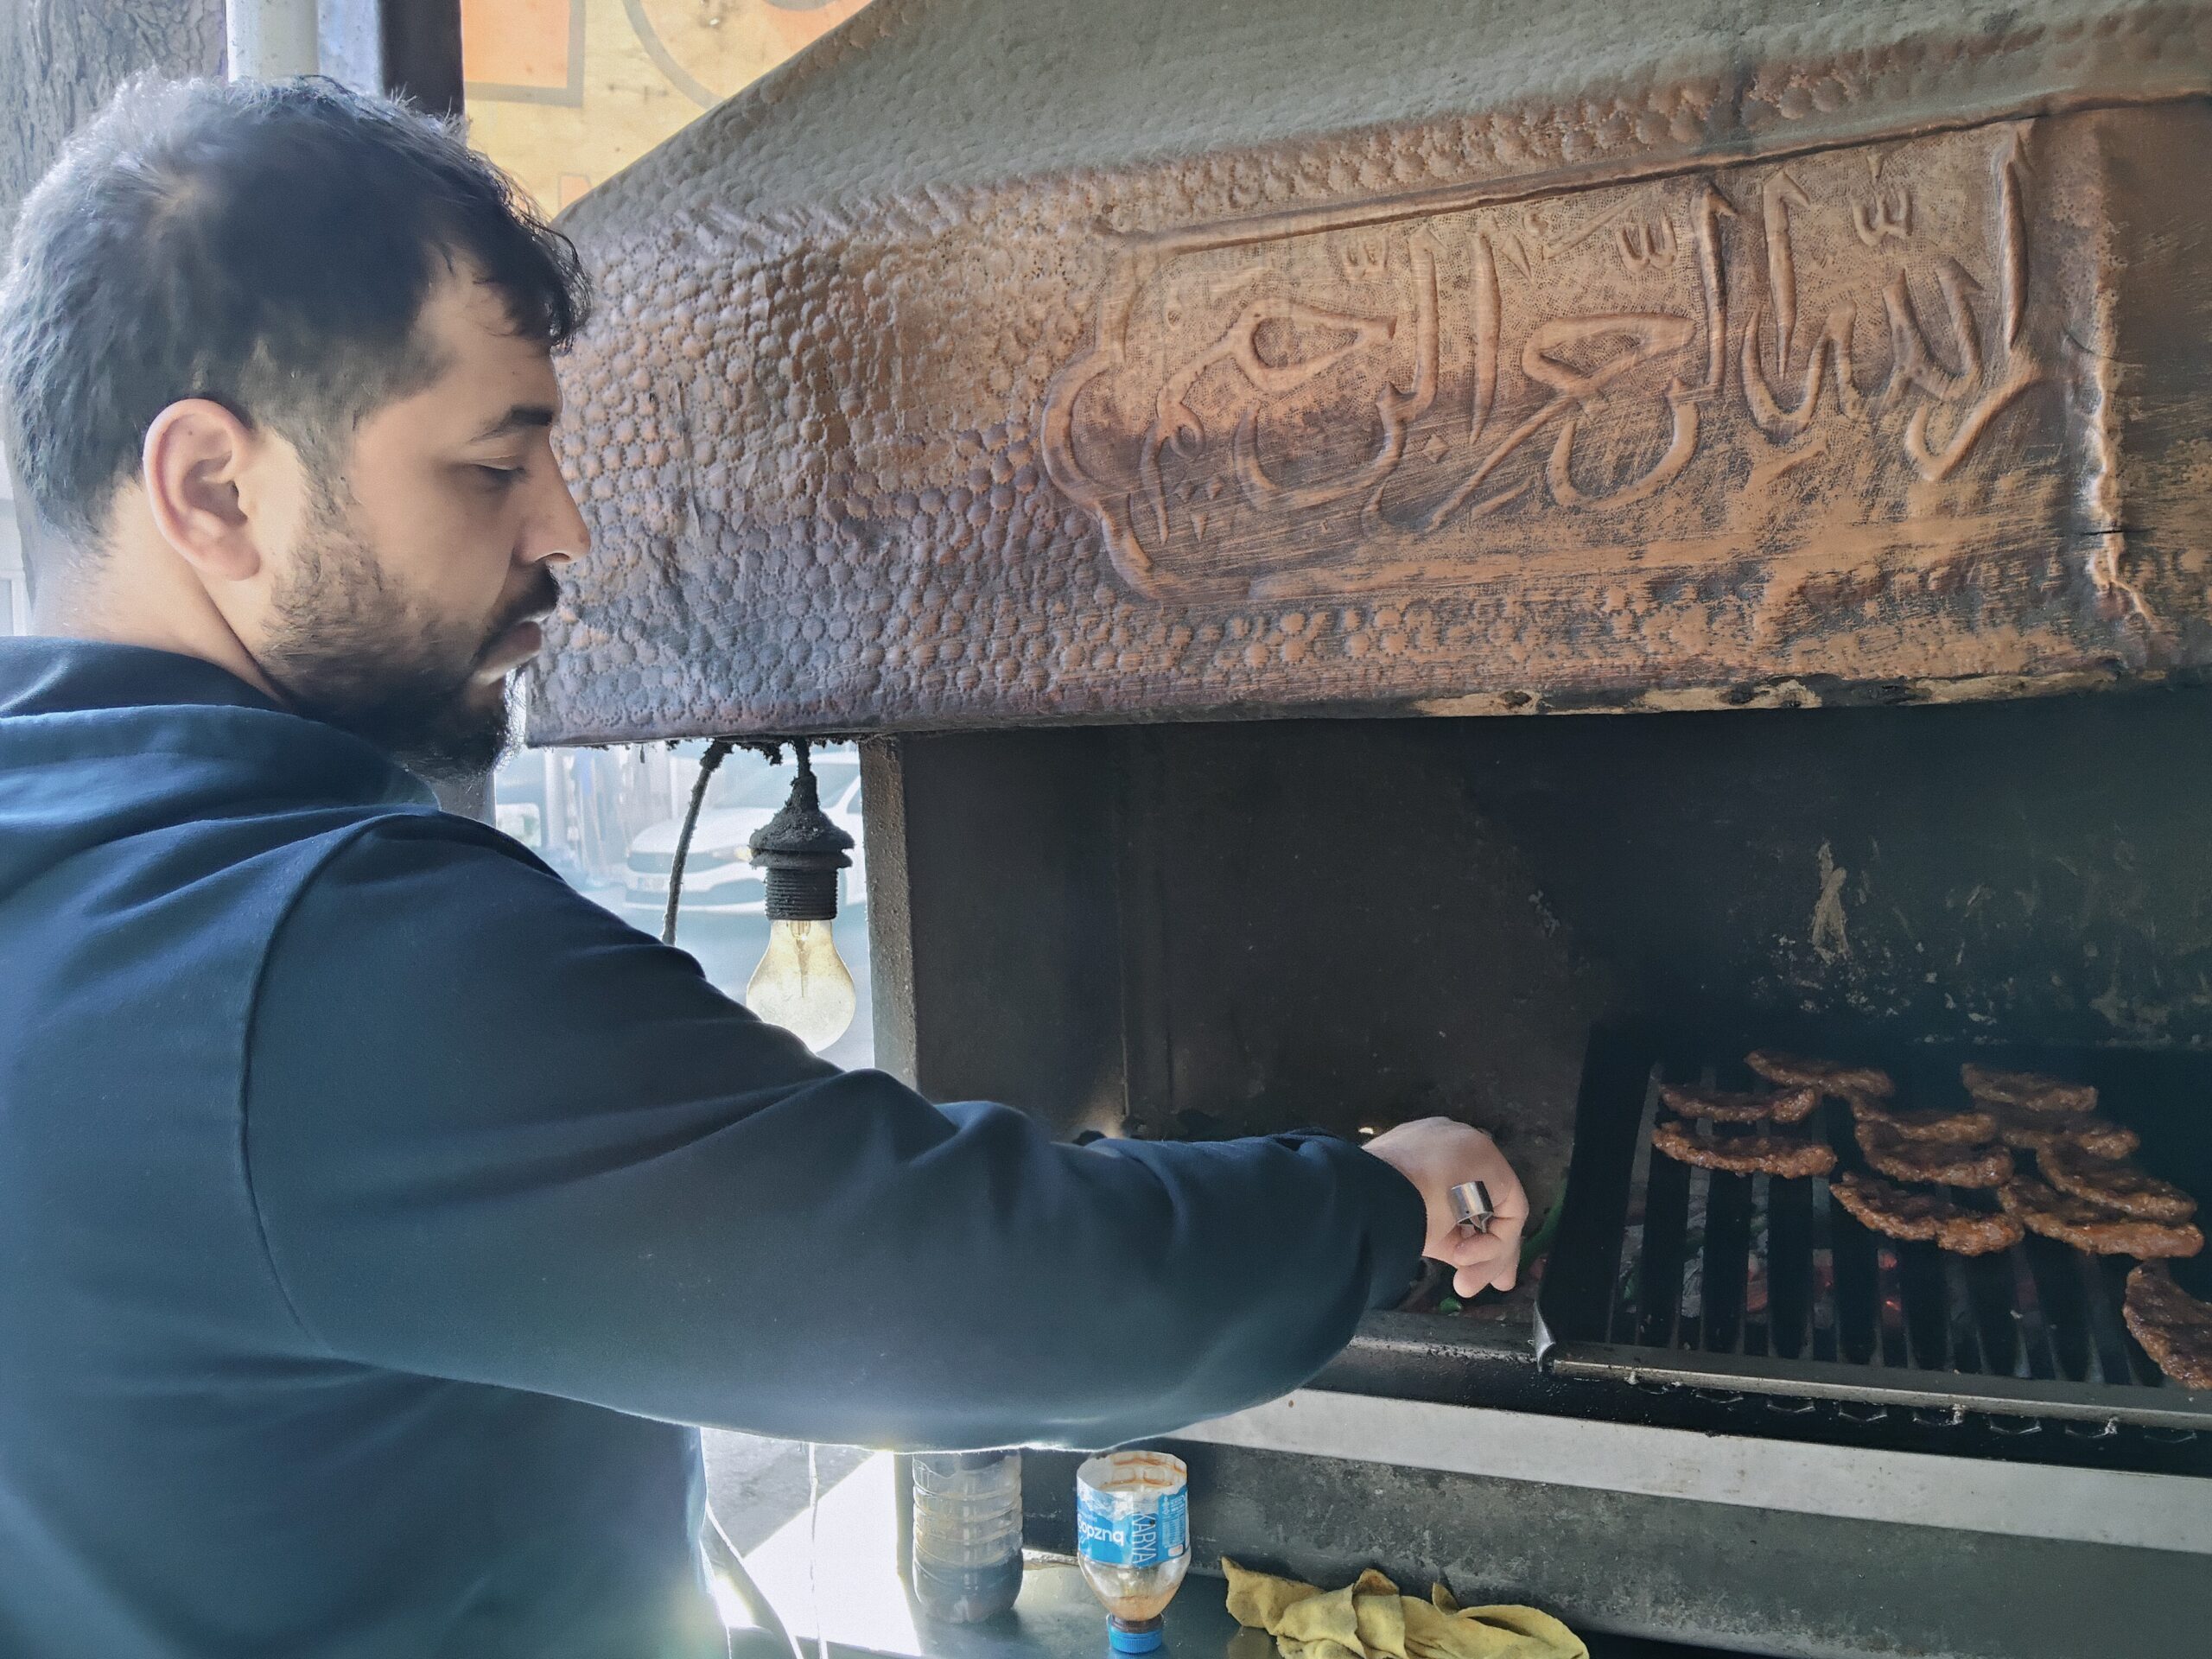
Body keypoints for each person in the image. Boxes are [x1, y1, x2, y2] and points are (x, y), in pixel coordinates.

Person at [0, 76, 1527, 1659]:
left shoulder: (66, 874)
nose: (567, 524)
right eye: (492, 462)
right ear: (211, 490)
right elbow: (985, 1293)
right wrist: (1380, 1194)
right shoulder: (307, 956)